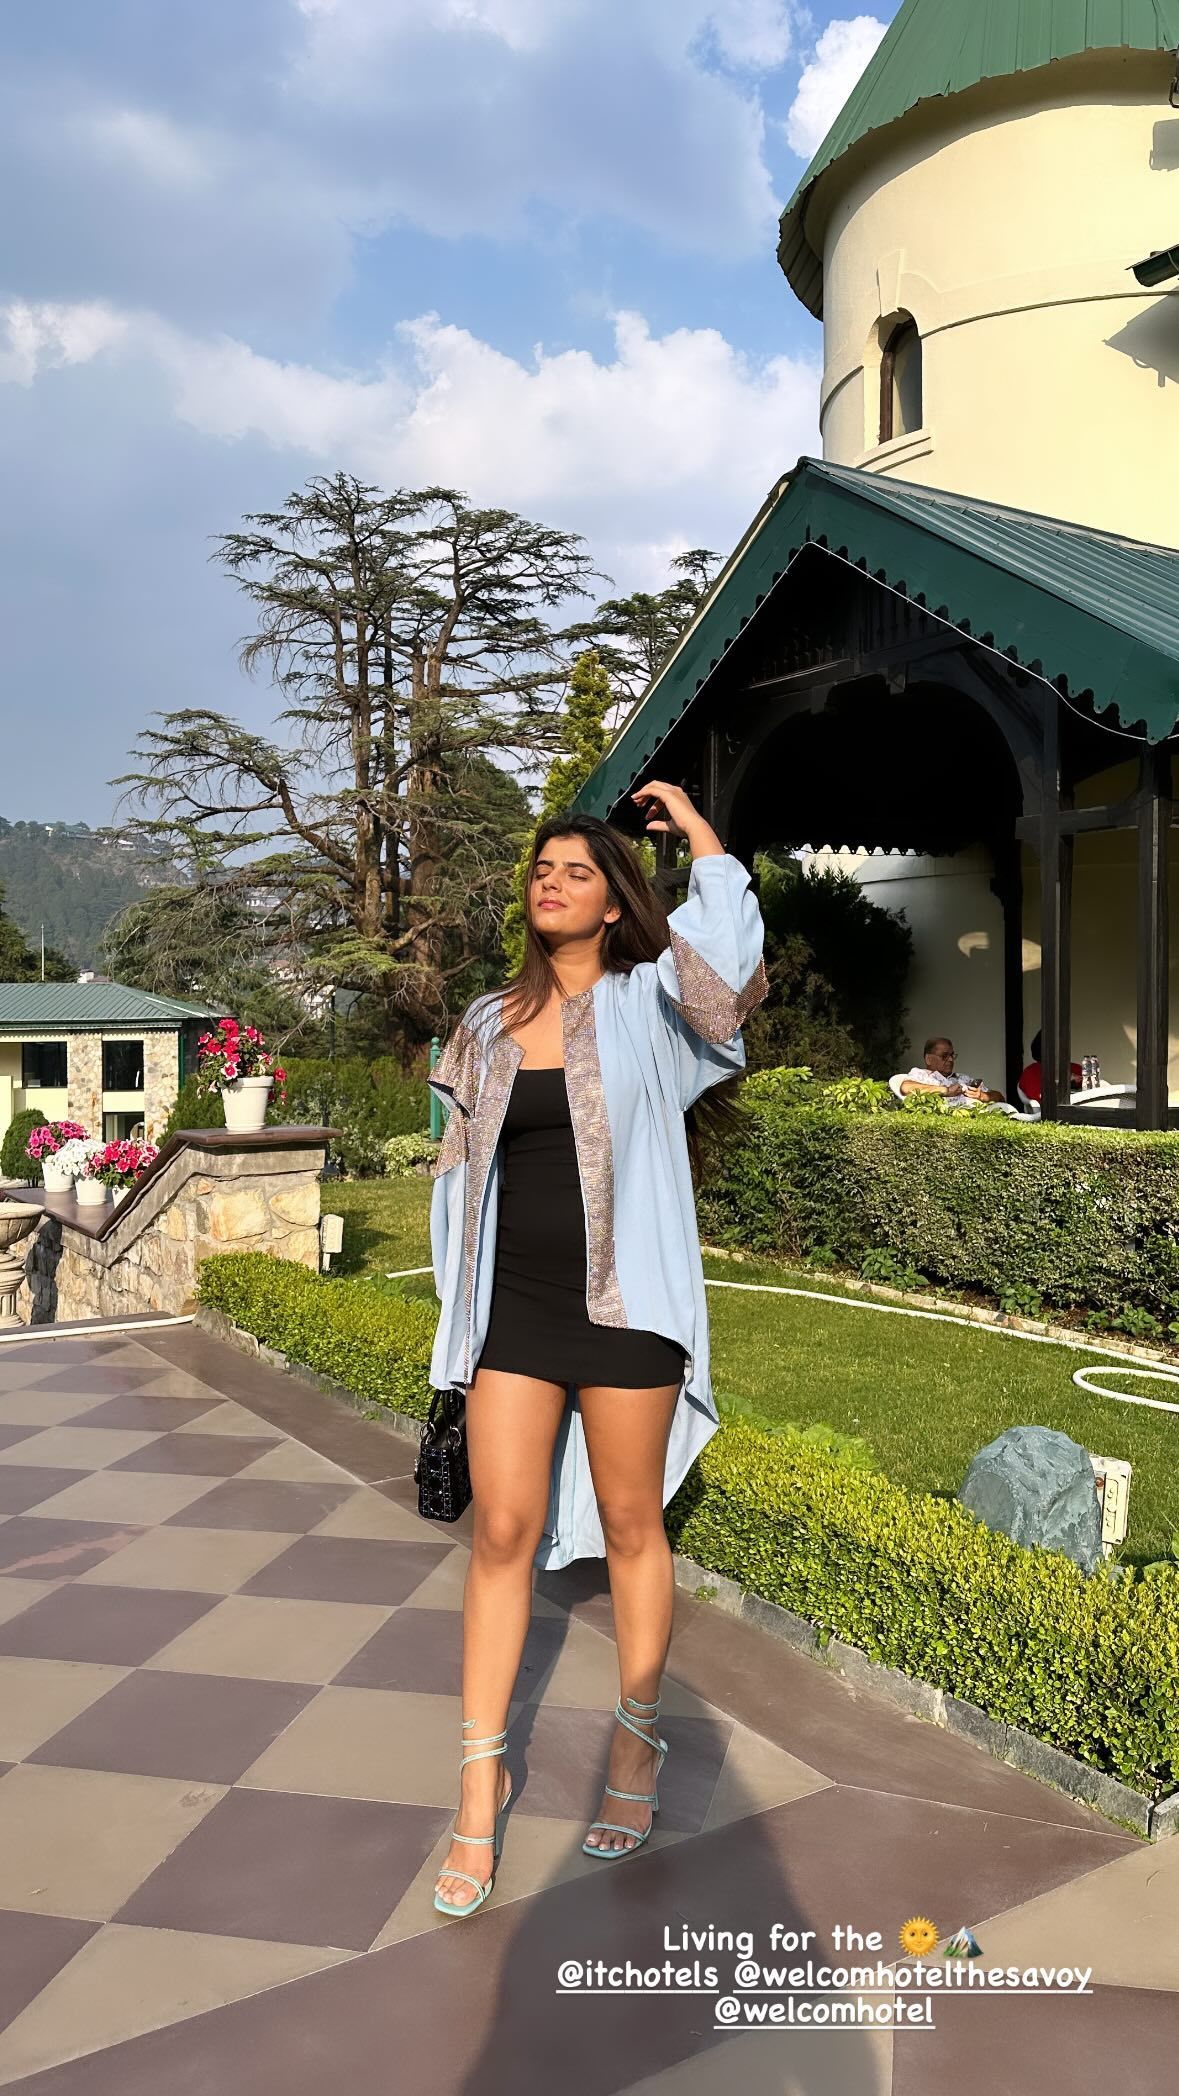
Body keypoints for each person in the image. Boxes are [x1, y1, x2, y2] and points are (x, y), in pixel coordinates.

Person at [425, 782, 768, 1917]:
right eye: (541, 869)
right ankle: (480, 1781)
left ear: (616, 902)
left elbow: (724, 977)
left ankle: (635, 1737)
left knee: (631, 1523)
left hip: (630, 1312)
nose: (552, 883)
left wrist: (701, 839)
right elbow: (454, 1185)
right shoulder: (484, 1023)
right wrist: (457, 1321)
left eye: (577, 871)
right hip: (515, 1314)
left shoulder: (652, 1004)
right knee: (501, 1531)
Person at [897, 1036, 1005, 1105]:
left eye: (952, 1055)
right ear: (928, 1059)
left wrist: (982, 1096)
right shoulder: (921, 1074)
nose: (950, 1059)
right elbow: (906, 1088)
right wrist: (946, 1091)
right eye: (944, 1056)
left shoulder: (963, 1078)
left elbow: (1000, 1097)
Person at [1018, 1030, 1083, 1108]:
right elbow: (1040, 1099)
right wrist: (1065, 1082)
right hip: (1048, 1113)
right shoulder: (1030, 1072)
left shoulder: (1076, 1068)